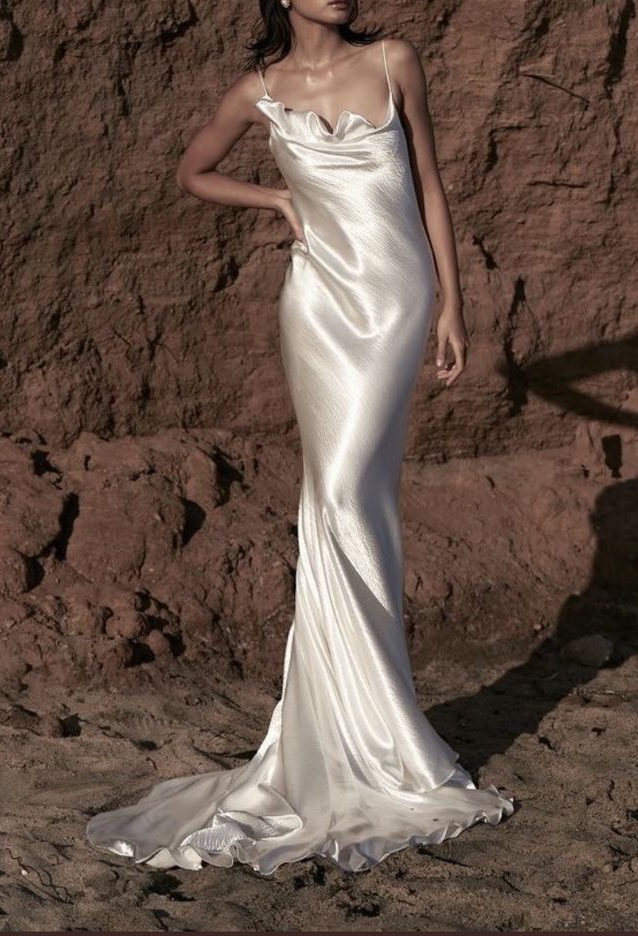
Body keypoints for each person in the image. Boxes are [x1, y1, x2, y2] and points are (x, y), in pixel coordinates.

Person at [85, 0, 515, 875]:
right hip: (316, 305)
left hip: (393, 301)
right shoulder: (260, 90)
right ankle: (349, 726)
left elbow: (430, 184)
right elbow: (192, 171)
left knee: (356, 489)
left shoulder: (394, 59)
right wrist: (276, 193)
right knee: (334, 494)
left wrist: (453, 304)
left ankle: (379, 727)